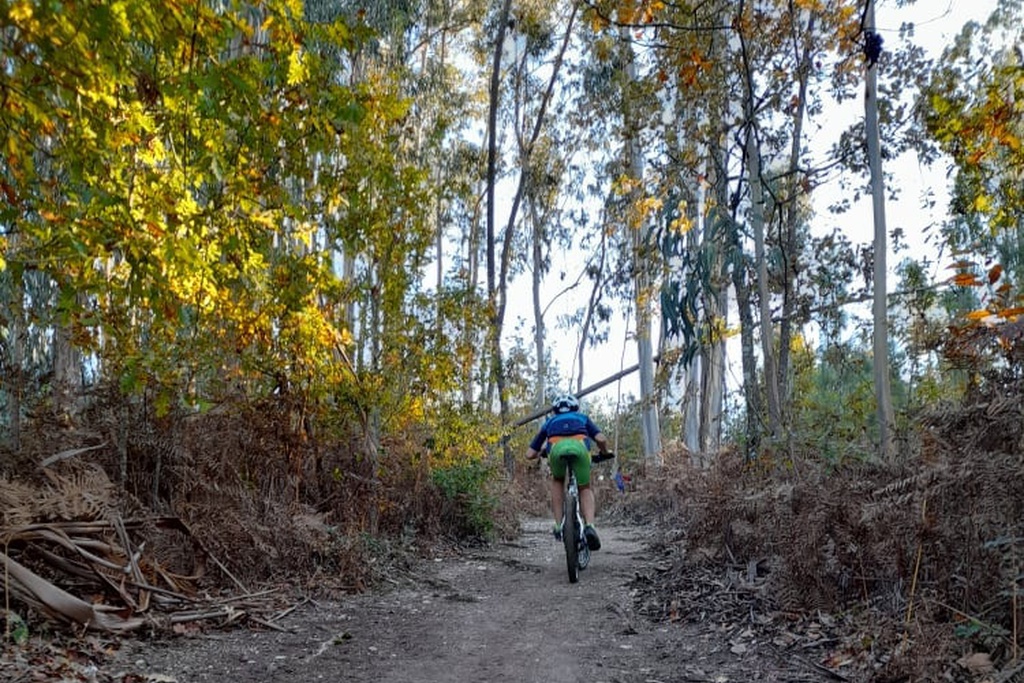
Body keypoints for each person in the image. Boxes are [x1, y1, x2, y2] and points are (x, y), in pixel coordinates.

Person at [526, 393, 611, 551]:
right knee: (584, 487)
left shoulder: (549, 422)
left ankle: (558, 525)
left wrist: (542, 452)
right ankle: (590, 526)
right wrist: (605, 452)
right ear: (575, 407)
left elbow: (529, 454)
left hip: (556, 451)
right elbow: (601, 439)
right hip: (580, 449)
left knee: (558, 480)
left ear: (555, 410)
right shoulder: (582, 418)